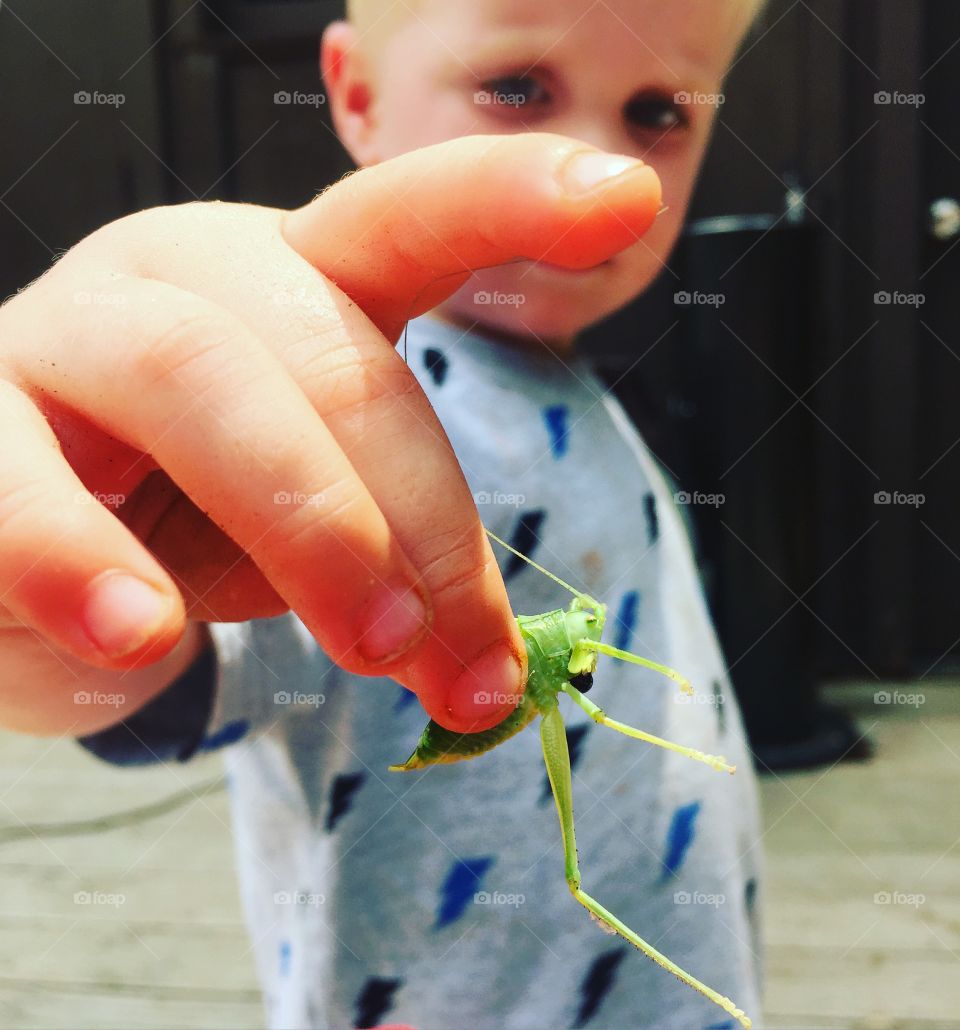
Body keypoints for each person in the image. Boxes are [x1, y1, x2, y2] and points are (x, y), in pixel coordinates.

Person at [0, 0, 766, 1026]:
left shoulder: (579, 385)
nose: (594, 159)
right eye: (518, 89)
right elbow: (161, 678)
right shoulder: (362, 414)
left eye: (655, 110)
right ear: (355, 96)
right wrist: (71, 592)